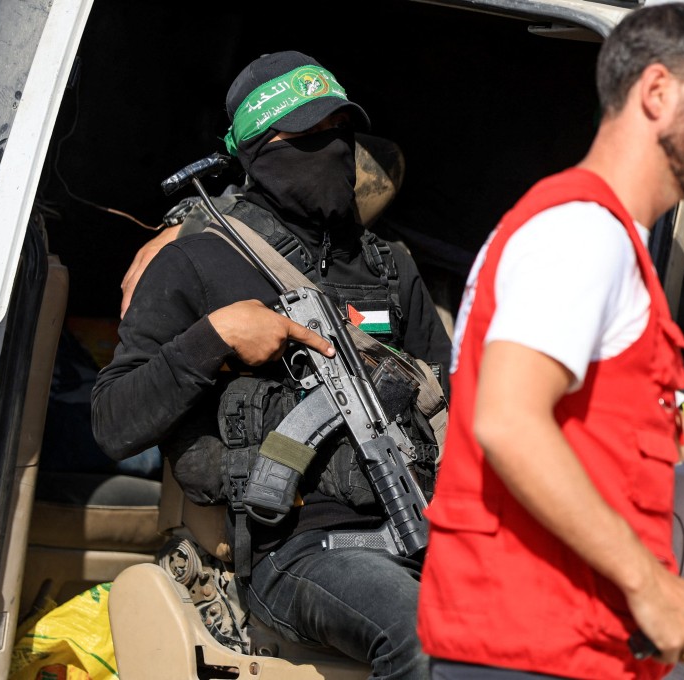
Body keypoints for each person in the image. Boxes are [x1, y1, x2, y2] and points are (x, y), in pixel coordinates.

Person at [416, 6, 684, 680]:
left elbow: (599, 434)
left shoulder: (603, 237)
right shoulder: (581, 236)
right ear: (657, 93)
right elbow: (508, 421)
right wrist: (649, 586)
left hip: (563, 648)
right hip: (529, 653)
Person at [92, 50, 452, 679]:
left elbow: (461, 401)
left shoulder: (390, 266)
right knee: (423, 636)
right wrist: (216, 335)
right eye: (306, 138)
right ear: (257, 151)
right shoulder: (197, 262)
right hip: (295, 550)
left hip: (421, 522)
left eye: (339, 132)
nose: (331, 149)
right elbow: (114, 422)